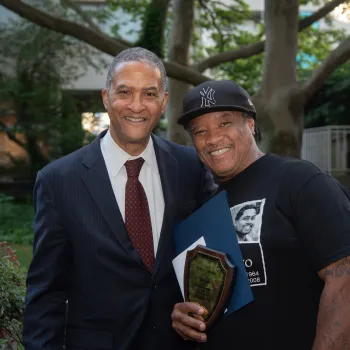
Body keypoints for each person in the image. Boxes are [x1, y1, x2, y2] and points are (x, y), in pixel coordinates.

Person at [22, 47, 215, 350]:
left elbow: (212, 256)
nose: (136, 105)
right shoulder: (58, 181)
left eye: (149, 94)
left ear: (163, 102)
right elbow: (46, 292)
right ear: (106, 97)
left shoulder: (191, 167)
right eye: (124, 91)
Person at [171, 79, 350, 350]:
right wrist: (185, 317)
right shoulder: (203, 210)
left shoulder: (300, 181)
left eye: (225, 123)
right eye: (200, 131)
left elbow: (344, 283)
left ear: (250, 125)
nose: (213, 138)